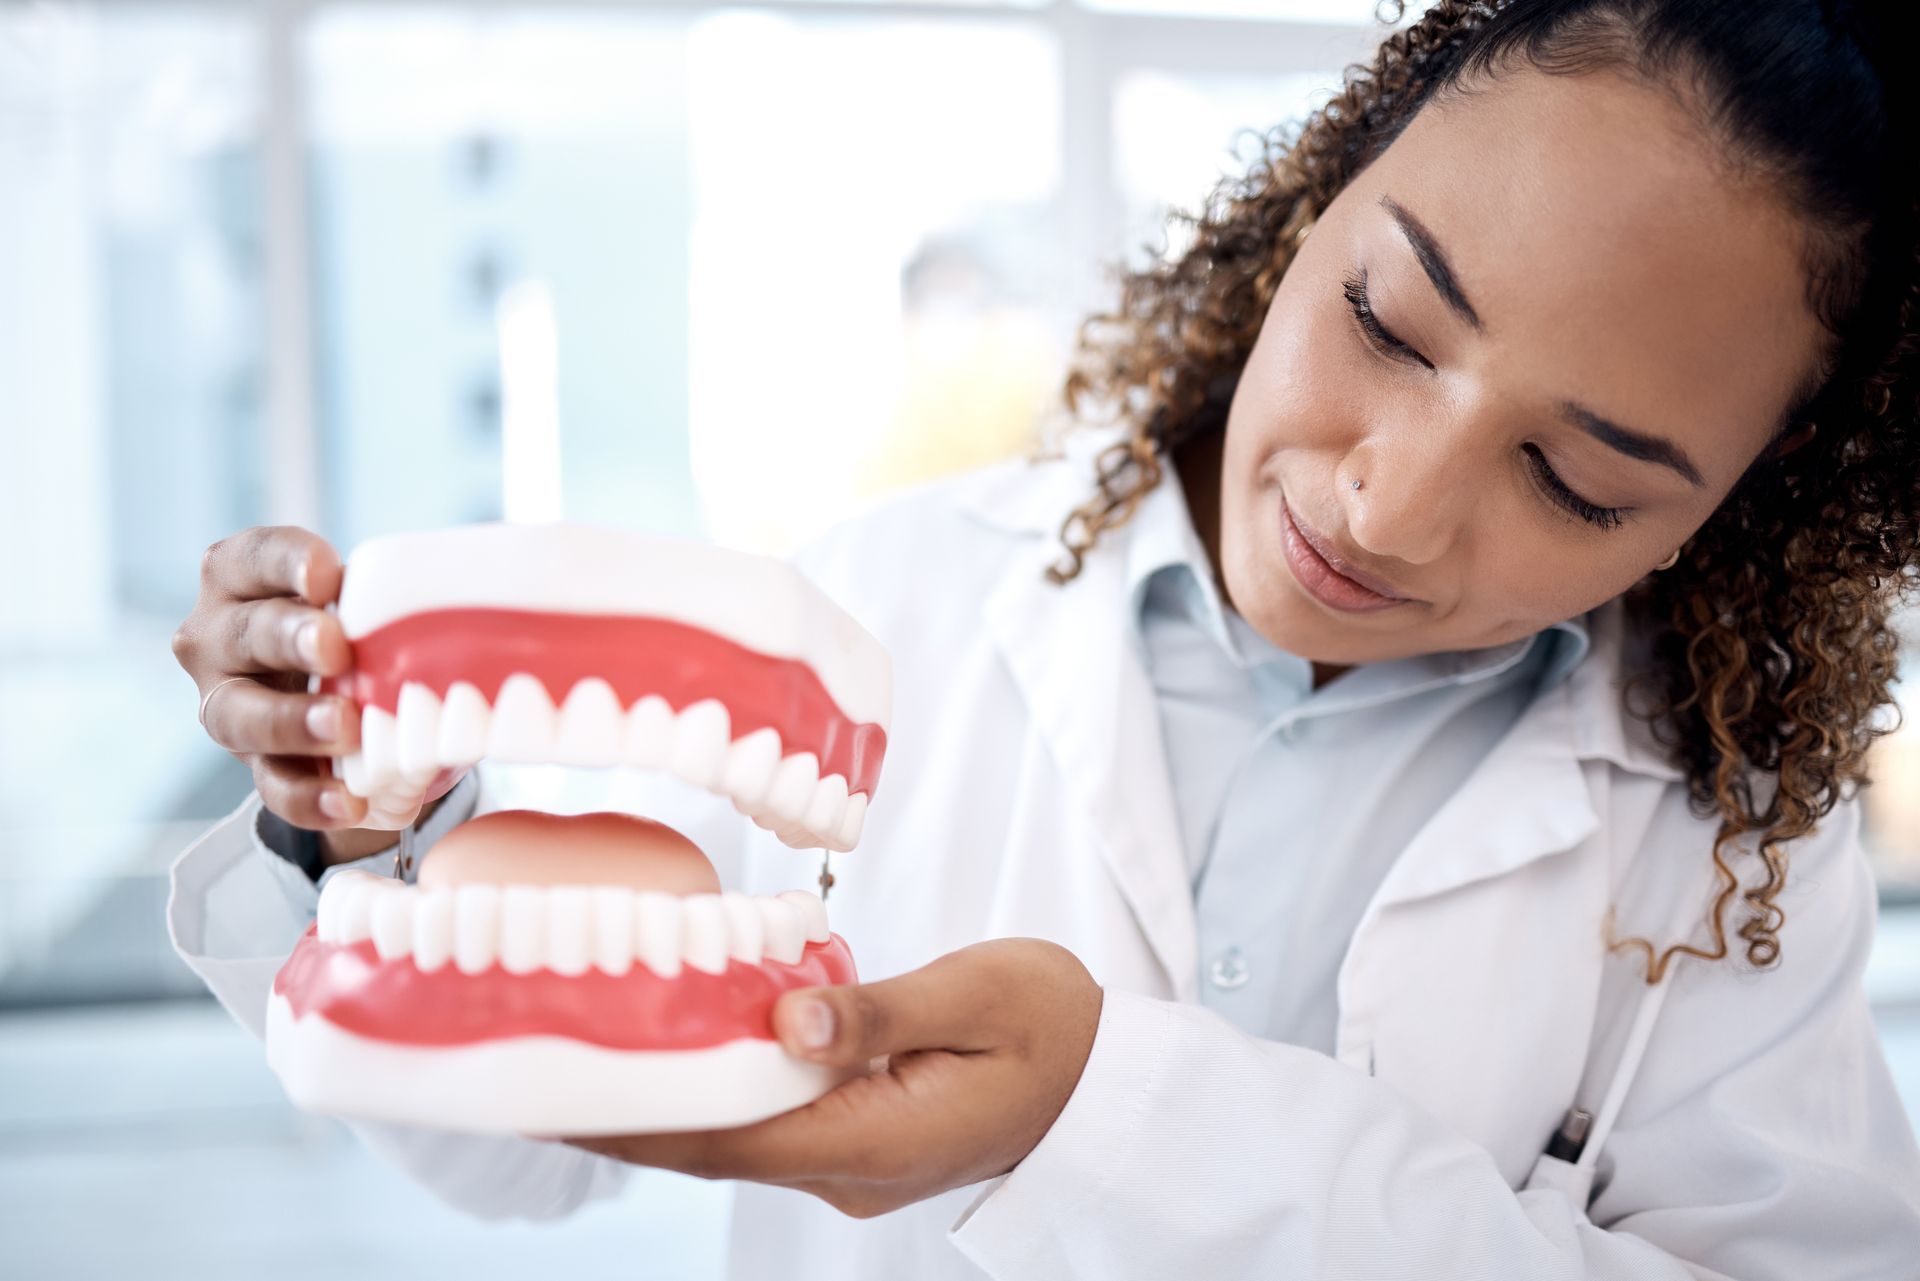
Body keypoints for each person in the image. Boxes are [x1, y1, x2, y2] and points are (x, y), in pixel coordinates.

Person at [166, 1, 1920, 1276]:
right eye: (1386, 319)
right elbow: (514, 1169)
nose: (1387, 506)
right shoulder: (896, 599)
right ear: (1316, 201)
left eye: (1574, 476)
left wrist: (1101, 1120)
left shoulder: (1732, 838)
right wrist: (352, 830)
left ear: (1736, 505)